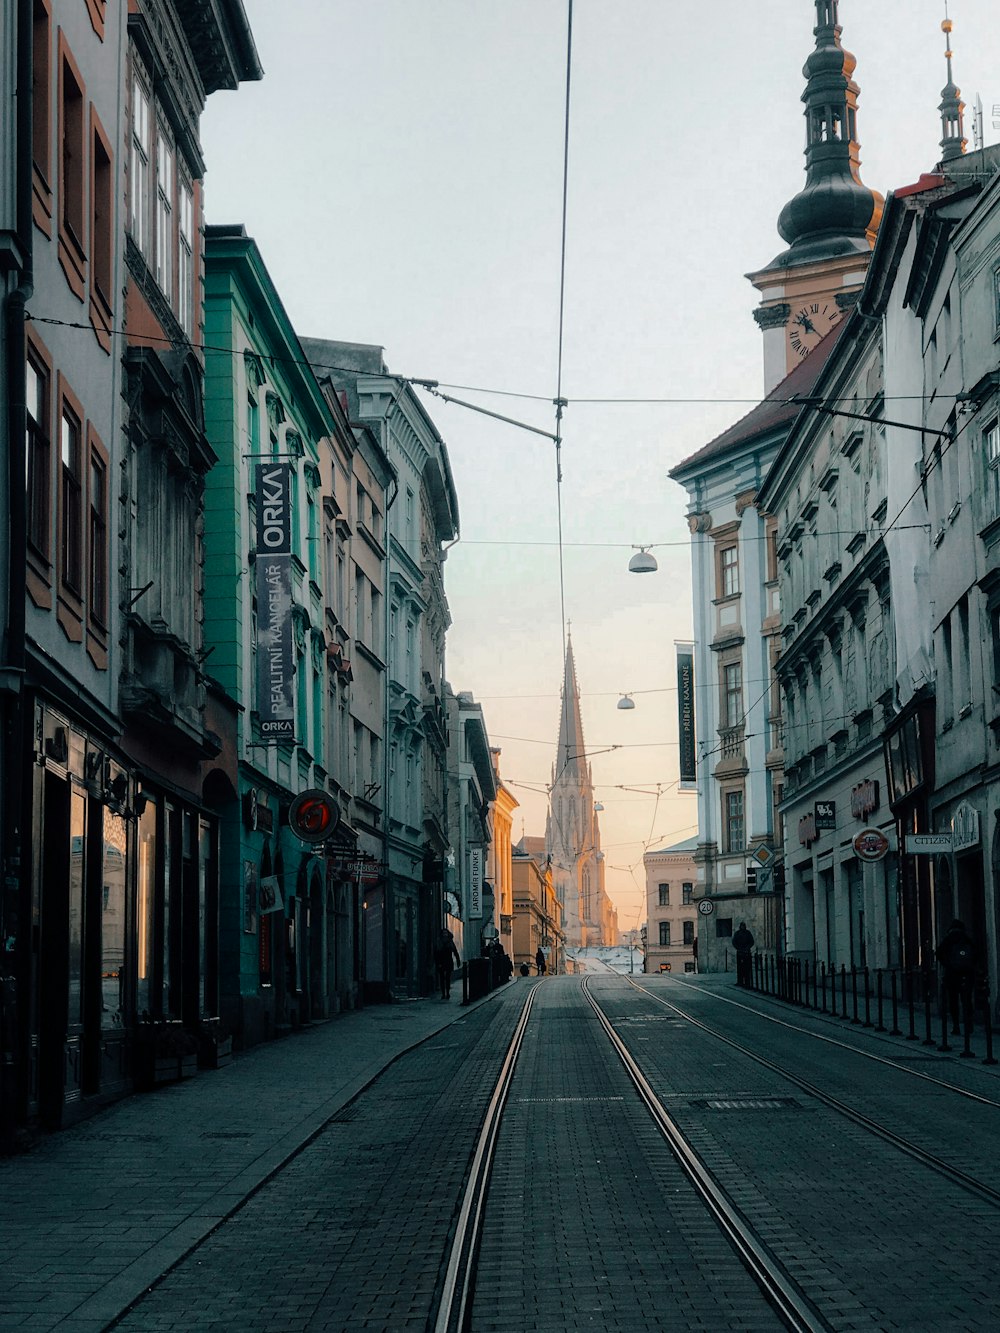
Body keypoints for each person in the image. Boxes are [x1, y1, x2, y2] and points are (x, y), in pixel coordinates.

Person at [936, 918, 976, 1036]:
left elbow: (938, 953)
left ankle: (956, 1025)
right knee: (967, 1000)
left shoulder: (949, 939)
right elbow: (976, 953)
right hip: (967, 974)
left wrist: (947, 964)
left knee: (953, 1000)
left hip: (952, 974)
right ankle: (969, 1024)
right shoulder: (966, 938)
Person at [433, 928, 461, 1000]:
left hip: (448, 961)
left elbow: (455, 951)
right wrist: (437, 963)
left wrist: (458, 960)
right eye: (444, 933)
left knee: (448, 978)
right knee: (442, 978)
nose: (445, 934)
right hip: (441, 962)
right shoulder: (439, 942)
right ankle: (443, 993)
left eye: (446, 933)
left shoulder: (450, 942)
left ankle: (447, 993)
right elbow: (436, 954)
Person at [732, 921, 755, 987]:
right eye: (742, 926)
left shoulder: (748, 933)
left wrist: (747, 948)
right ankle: (740, 981)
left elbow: (751, 942)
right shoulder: (737, 933)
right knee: (740, 968)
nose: (743, 927)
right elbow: (734, 942)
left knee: (747, 968)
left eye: (744, 926)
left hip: (747, 952)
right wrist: (738, 948)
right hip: (740, 952)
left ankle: (747, 982)